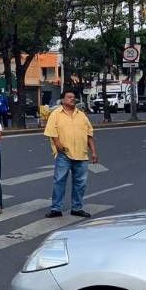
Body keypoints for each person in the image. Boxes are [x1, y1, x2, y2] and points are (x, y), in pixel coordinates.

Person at [44, 89, 99, 219]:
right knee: (59, 181)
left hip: (81, 154)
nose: (72, 99)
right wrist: (58, 146)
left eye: (74, 97)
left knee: (80, 183)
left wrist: (94, 152)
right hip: (64, 155)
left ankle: (77, 208)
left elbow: (89, 134)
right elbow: (52, 132)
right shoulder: (56, 114)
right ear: (62, 100)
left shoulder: (81, 115)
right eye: (69, 97)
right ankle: (56, 208)